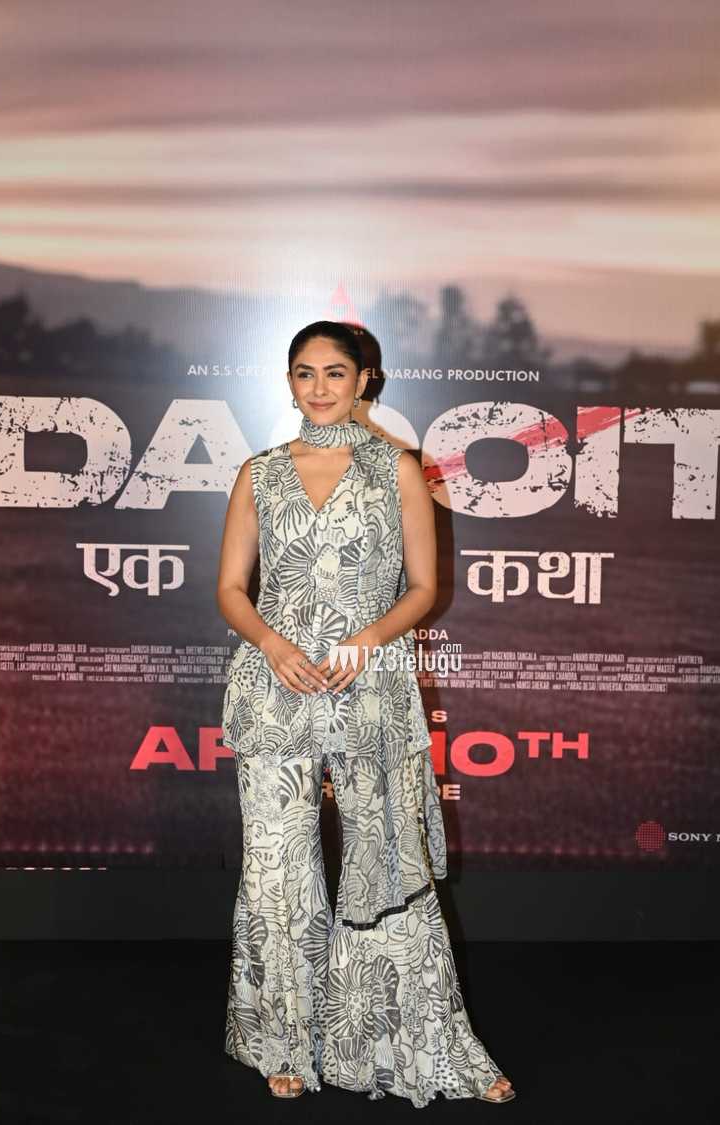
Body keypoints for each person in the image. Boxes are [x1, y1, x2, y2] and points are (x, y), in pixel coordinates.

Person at [217, 321, 515, 1107]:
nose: (319, 387)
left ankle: (416, 1044)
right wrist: (272, 643)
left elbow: (423, 587)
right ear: (289, 381)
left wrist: (368, 638)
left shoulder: (397, 469)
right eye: (304, 372)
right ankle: (283, 1043)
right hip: (274, 690)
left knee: (384, 861)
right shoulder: (259, 472)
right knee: (276, 869)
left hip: (371, 686)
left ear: (363, 381)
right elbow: (230, 589)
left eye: (334, 373)